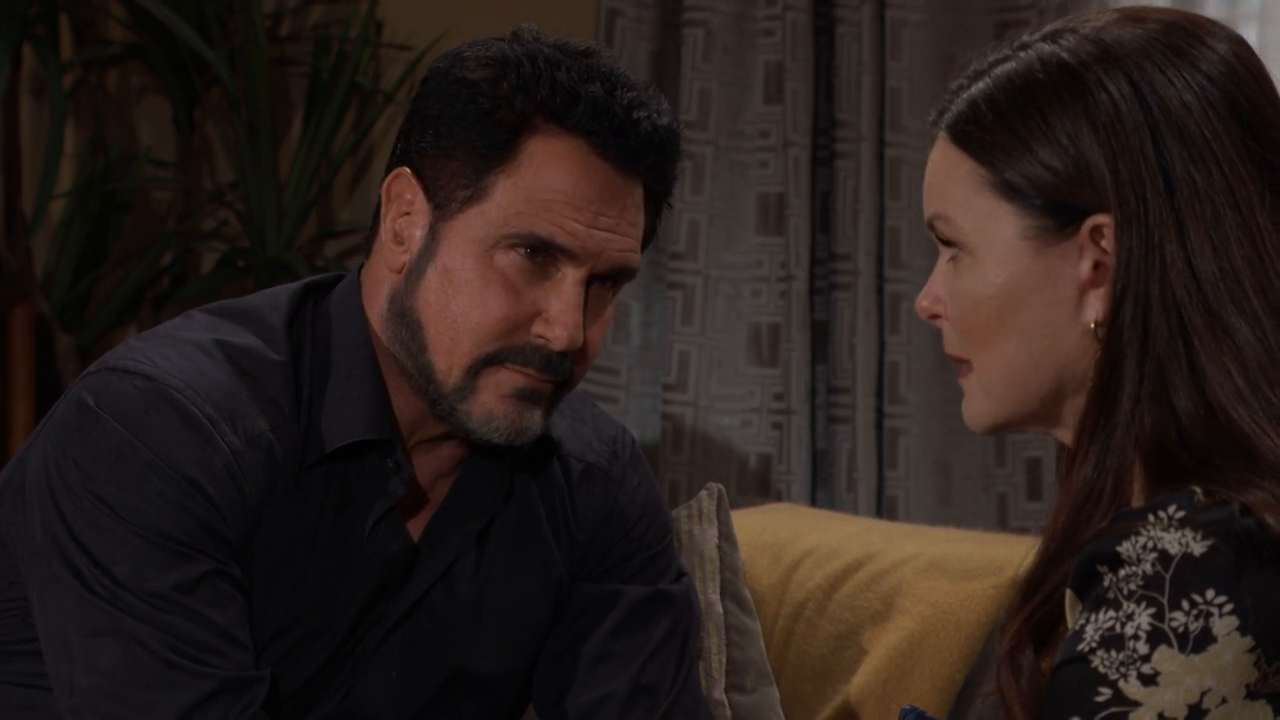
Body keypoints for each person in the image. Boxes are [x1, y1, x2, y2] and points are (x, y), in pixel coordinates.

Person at [0, 26, 712, 719]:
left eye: (605, 283)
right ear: (404, 221)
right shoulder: (157, 432)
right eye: (532, 255)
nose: (567, 330)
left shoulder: (592, 478)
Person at [913, 6, 1280, 720]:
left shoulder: (1188, 587)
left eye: (954, 249)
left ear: (1100, 263)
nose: (928, 301)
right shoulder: (1193, 540)